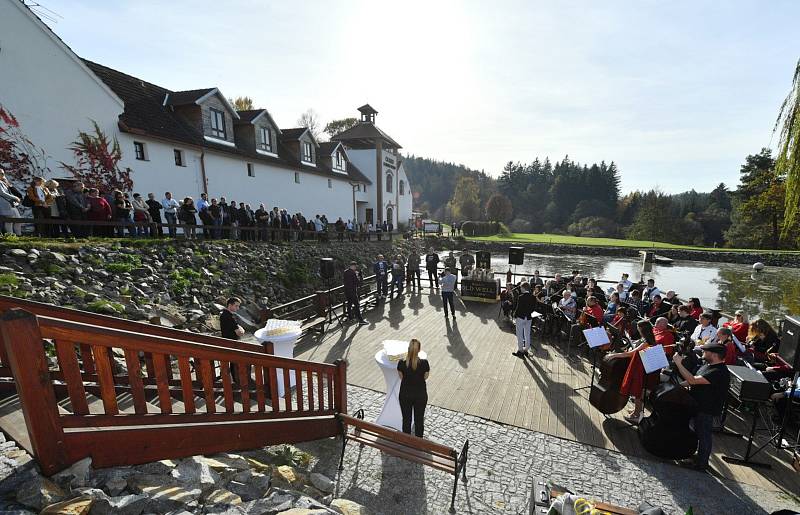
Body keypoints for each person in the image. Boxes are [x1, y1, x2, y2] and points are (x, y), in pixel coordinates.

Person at [674, 341, 731, 471]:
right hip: (697, 405)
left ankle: (702, 464)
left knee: (703, 436)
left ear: (715, 355)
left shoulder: (718, 371)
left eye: (706, 351)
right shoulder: (708, 365)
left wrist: (678, 363)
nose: (703, 353)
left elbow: (692, 380)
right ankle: (696, 457)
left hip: (706, 409)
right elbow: (694, 379)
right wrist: (677, 386)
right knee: (696, 433)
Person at [605, 320, 659, 424]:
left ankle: (637, 415)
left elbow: (631, 354)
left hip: (641, 369)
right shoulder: (649, 339)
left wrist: (614, 355)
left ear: (643, 330)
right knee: (638, 392)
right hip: (642, 367)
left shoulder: (646, 342)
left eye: (639, 329)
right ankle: (636, 410)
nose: (637, 330)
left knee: (638, 392)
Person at [397, 339, 430, 438]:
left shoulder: (401, 363)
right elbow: (425, 377)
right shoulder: (424, 363)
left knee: (406, 419)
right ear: (419, 350)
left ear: (408, 349)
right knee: (419, 420)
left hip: (405, 395)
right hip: (420, 395)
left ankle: (407, 441)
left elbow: (401, 377)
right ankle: (418, 441)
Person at [513, 283, 536, 357]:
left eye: (521, 287)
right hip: (529, 317)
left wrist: (514, 316)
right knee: (527, 334)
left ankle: (520, 351)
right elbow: (533, 308)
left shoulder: (521, 297)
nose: (520, 289)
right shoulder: (533, 297)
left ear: (523, 288)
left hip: (520, 317)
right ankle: (526, 349)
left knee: (519, 334)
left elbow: (518, 308)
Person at [0, 168, 22, 236]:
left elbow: (10, 192)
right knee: (9, 221)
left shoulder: (4, 182)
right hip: (4, 205)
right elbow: (2, 193)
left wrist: (15, 200)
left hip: (11, 204)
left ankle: (19, 235)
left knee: (18, 220)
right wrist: (15, 198)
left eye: (3, 173)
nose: (3, 175)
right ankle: (10, 236)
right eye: (1, 173)